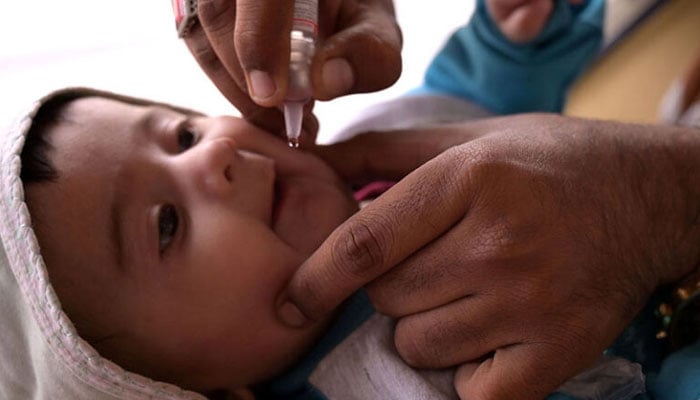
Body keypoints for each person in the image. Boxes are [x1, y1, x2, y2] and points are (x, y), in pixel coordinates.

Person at [183, 0, 700, 399]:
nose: (216, 153)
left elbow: (462, 100)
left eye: (183, 135)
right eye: (167, 223)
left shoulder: (375, 149)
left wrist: (508, 46)